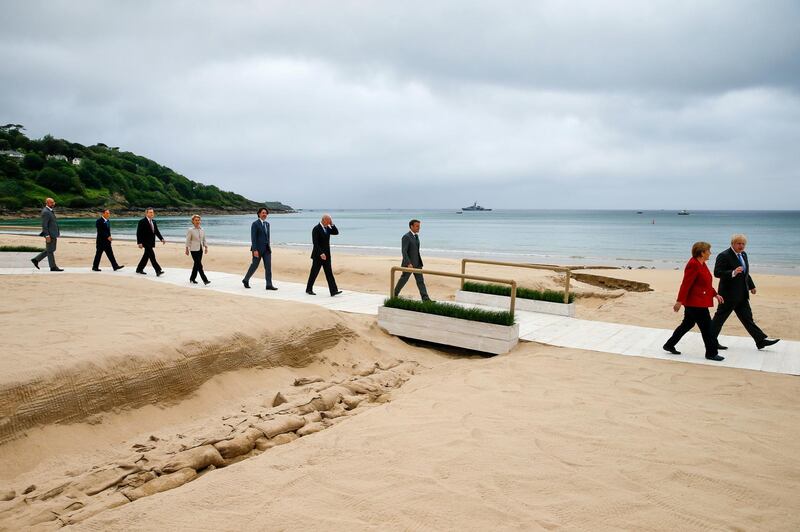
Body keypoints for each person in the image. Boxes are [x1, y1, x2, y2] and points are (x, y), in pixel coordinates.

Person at [711, 234, 780, 350]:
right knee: (719, 319)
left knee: (748, 318)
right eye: (739, 243)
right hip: (728, 295)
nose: (741, 246)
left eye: (743, 244)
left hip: (742, 294)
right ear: (732, 244)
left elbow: (745, 273)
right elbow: (717, 273)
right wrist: (732, 272)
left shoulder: (743, 254)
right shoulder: (724, 255)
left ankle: (760, 341)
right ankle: (711, 341)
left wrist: (751, 286)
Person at [663, 242, 725, 361]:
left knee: (688, 324)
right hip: (695, 302)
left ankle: (669, 345)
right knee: (708, 328)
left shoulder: (702, 264)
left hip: (698, 301)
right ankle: (711, 353)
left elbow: (706, 284)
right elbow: (686, 284)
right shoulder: (693, 264)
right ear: (702, 253)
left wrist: (715, 294)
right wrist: (679, 301)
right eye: (708, 251)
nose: (710, 253)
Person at [393, 218, 430, 301]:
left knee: (420, 281)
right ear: (411, 226)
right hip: (409, 264)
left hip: (417, 264)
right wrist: (408, 263)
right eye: (417, 226)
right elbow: (404, 251)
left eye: (419, 226)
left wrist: (419, 262)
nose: (419, 228)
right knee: (403, 280)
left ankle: (425, 299)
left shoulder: (416, 236)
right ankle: (394, 294)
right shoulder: (406, 237)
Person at [305, 214, 342, 296]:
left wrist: (332, 224)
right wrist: (321, 253)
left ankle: (333, 291)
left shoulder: (328, 228)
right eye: (329, 221)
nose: (329, 222)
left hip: (327, 255)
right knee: (314, 273)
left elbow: (336, 232)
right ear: (324, 220)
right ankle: (309, 289)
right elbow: (315, 243)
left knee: (329, 273)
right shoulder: (316, 229)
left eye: (330, 221)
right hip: (318, 255)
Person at [242, 207, 277, 290]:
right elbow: (253, 238)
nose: (264, 214)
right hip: (257, 249)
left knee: (268, 267)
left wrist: (269, 246)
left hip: (267, 250)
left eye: (266, 213)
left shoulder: (267, 224)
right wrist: (254, 250)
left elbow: (267, 237)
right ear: (259, 214)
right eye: (263, 213)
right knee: (254, 265)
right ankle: (246, 279)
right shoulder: (255, 224)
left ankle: (269, 284)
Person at [31, 197, 63, 271]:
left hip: (53, 234)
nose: (53, 204)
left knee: (51, 249)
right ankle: (53, 267)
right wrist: (47, 235)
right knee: (50, 251)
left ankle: (36, 260)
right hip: (50, 235)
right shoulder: (46, 212)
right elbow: (44, 225)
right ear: (47, 203)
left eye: (53, 202)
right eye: (52, 202)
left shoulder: (50, 211)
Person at [136, 207, 165, 276]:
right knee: (152, 256)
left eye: (152, 212)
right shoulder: (142, 221)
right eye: (150, 212)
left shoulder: (154, 221)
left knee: (146, 256)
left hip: (151, 242)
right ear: (146, 213)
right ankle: (158, 270)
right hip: (145, 242)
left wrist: (161, 239)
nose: (152, 214)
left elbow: (156, 231)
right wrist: (139, 242)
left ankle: (139, 269)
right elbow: (138, 233)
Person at [185, 214, 210, 285]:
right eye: (196, 220)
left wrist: (206, 247)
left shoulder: (202, 229)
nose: (197, 221)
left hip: (200, 249)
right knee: (199, 265)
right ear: (193, 221)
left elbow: (204, 239)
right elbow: (187, 240)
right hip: (193, 250)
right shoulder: (190, 230)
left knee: (196, 265)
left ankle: (192, 278)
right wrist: (186, 249)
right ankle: (205, 280)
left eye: (198, 220)